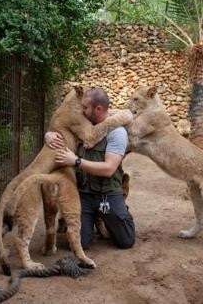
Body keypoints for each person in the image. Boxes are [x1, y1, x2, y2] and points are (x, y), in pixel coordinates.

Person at [45, 87, 135, 250]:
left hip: (107, 194)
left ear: (98, 109)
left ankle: (117, 212)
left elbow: (109, 169)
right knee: (80, 243)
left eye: (85, 108)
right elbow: (61, 128)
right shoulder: (82, 126)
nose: (82, 111)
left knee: (126, 241)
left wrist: (76, 161)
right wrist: (49, 135)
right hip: (84, 193)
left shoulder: (117, 133)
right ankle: (92, 218)